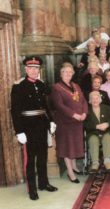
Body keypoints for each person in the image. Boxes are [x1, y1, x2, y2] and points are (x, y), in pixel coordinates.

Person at [11, 56, 58, 200]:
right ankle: (32, 189)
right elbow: (15, 110)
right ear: (26, 69)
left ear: (39, 70)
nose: (34, 71)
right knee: (31, 159)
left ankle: (43, 183)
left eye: (36, 68)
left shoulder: (42, 84)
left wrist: (50, 121)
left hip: (42, 124)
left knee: (43, 156)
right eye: (31, 68)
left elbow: (46, 106)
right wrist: (19, 131)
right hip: (28, 127)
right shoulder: (19, 86)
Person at [51, 62, 88, 184]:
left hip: (78, 122)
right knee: (67, 146)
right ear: (61, 74)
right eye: (65, 72)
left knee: (74, 145)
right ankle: (70, 172)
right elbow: (59, 105)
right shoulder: (56, 87)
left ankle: (74, 167)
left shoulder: (76, 85)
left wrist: (84, 113)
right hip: (65, 122)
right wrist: (74, 114)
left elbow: (83, 101)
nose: (68, 74)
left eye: (70, 72)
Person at [84, 91, 110, 173]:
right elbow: (84, 123)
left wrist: (107, 124)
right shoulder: (86, 110)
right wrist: (95, 126)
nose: (95, 101)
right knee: (93, 139)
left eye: (97, 98)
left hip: (106, 132)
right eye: (93, 99)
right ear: (90, 101)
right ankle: (95, 163)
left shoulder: (107, 108)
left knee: (107, 138)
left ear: (100, 100)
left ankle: (107, 162)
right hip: (93, 132)